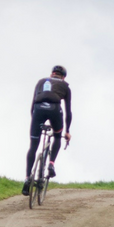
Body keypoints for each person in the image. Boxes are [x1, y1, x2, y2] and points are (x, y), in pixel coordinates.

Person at [23, 65, 72, 195]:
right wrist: (67, 131)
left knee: (33, 146)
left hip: (38, 110)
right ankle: (51, 164)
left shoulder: (40, 81)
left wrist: (35, 121)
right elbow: (68, 111)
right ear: (63, 77)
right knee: (57, 136)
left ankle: (27, 178)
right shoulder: (65, 86)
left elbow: (32, 106)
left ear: (51, 74)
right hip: (55, 110)